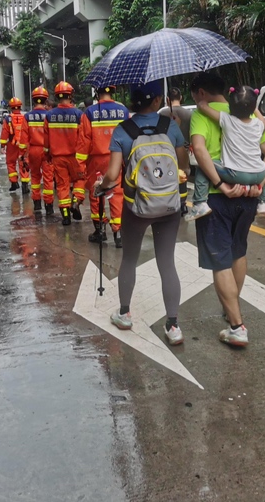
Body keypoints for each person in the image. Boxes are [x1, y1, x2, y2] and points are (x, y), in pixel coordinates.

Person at [189, 72, 265, 347]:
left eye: (195, 95)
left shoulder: (202, 115)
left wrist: (220, 182)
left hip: (218, 198)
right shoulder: (250, 117)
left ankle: (237, 326)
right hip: (250, 197)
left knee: (219, 260)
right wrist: (260, 183)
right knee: (238, 251)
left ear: (201, 93)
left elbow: (199, 149)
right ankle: (231, 310)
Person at [95, 80, 190, 346]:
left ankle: (124, 313)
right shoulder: (170, 126)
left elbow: (113, 175)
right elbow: (184, 168)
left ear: (132, 102)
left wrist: (100, 187)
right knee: (166, 263)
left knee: (129, 259)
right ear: (157, 101)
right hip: (169, 207)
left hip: (136, 207)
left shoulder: (122, 130)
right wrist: (176, 135)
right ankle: (173, 326)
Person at [187, 85, 265, 221]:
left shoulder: (227, 120)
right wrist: (254, 108)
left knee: (204, 166)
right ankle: (262, 202)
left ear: (231, 106)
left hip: (235, 174)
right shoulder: (258, 125)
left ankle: (200, 202)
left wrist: (202, 104)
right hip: (258, 176)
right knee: (264, 167)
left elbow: (206, 109)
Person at [76, 84, 129, 247]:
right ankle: (118, 233)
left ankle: (100, 231)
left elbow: (84, 142)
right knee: (117, 194)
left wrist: (80, 166)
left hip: (96, 161)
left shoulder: (90, 112)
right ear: (112, 91)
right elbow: (130, 137)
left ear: (97, 93)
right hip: (117, 158)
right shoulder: (123, 111)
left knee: (96, 193)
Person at [44, 81, 86, 225]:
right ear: (71, 95)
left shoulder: (49, 116)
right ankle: (75, 201)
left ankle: (66, 216)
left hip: (57, 157)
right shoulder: (79, 114)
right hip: (76, 157)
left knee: (62, 185)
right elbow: (84, 137)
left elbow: (46, 140)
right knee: (80, 180)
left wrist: (48, 155)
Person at [25, 86, 55, 216]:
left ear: (33, 100)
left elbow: (23, 140)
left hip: (33, 150)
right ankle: (49, 206)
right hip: (47, 150)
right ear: (45, 100)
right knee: (48, 178)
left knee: (35, 177)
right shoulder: (50, 116)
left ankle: (37, 203)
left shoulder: (27, 117)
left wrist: (23, 156)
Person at [0, 97, 30, 193]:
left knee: (11, 163)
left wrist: (2, 146)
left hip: (12, 144)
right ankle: (25, 185)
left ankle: (14, 183)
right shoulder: (25, 117)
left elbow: (4, 133)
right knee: (24, 163)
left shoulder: (8, 118)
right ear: (20, 107)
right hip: (23, 144)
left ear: (10, 107)